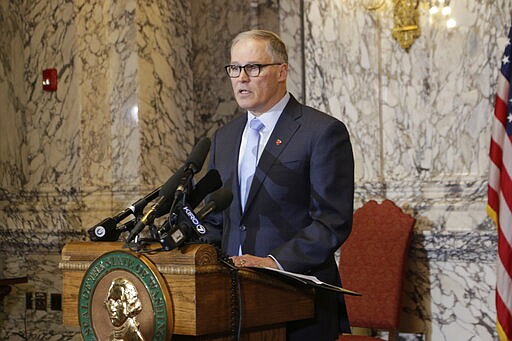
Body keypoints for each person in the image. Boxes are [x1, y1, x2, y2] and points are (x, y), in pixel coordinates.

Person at [204, 29, 354, 340]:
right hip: (234, 303)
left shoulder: (322, 132)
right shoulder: (225, 138)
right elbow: (218, 219)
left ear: (282, 71)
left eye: (253, 68)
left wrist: (274, 262)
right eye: (234, 68)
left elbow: (331, 222)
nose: (241, 78)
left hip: (299, 299)